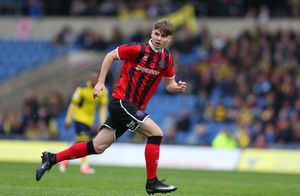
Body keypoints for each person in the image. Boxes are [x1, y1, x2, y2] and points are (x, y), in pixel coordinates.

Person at [36, 18, 186, 195]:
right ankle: (151, 182)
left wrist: (176, 87)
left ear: (169, 39)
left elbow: (169, 85)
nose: (159, 38)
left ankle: (52, 158)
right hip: (121, 102)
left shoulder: (166, 59)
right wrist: (100, 83)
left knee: (98, 146)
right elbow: (110, 56)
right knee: (156, 133)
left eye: (163, 36)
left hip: (132, 108)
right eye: (156, 34)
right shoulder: (137, 49)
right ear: (152, 33)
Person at [59, 71, 108, 174]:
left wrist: (101, 121)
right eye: (92, 78)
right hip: (79, 117)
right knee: (84, 141)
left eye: (95, 78)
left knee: (79, 142)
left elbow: (103, 107)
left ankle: (64, 159)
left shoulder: (103, 90)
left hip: (90, 120)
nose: (93, 80)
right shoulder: (81, 89)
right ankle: (84, 166)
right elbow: (73, 104)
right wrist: (68, 119)